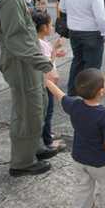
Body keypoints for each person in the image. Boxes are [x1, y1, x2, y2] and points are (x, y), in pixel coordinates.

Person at [0, 0, 59, 176]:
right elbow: (18, 39)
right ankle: (22, 162)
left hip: (25, 62)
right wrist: (46, 65)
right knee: (27, 113)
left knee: (37, 106)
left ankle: (34, 148)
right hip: (22, 63)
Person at [45, 68, 105, 208]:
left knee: (82, 187)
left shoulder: (74, 105)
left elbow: (59, 94)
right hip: (101, 163)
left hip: (79, 158)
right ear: (101, 91)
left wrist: (47, 81)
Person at [59, 0, 105, 96]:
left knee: (77, 62)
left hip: (74, 32)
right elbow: (101, 18)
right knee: (92, 67)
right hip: (92, 33)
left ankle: (72, 91)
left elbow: (62, 8)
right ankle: (89, 95)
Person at [32, 11, 67, 153]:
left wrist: (55, 52)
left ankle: (47, 134)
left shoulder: (37, 41)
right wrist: (55, 49)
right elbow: (47, 65)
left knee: (46, 111)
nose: (52, 27)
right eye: (50, 25)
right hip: (47, 83)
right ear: (44, 27)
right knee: (48, 111)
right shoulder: (42, 44)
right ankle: (48, 142)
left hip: (43, 82)